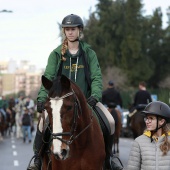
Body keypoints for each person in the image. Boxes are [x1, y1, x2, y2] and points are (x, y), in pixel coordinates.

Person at [27, 14, 112, 170]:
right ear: (64, 32)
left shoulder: (89, 53)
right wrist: (41, 98)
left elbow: (96, 77)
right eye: (67, 29)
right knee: (42, 123)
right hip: (60, 101)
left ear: (80, 30)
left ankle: (109, 159)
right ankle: (37, 158)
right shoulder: (56, 54)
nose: (70, 32)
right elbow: (48, 77)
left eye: (73, 29)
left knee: (110, 121)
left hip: (87, 101)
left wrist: (95, 96)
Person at [127, 101, 170, 170]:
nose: (147, 121)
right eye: (146, 118)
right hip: (140, 106)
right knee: (128, 115)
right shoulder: (138, 142)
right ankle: (127, 126)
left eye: (151, 118)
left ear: (162, 122)